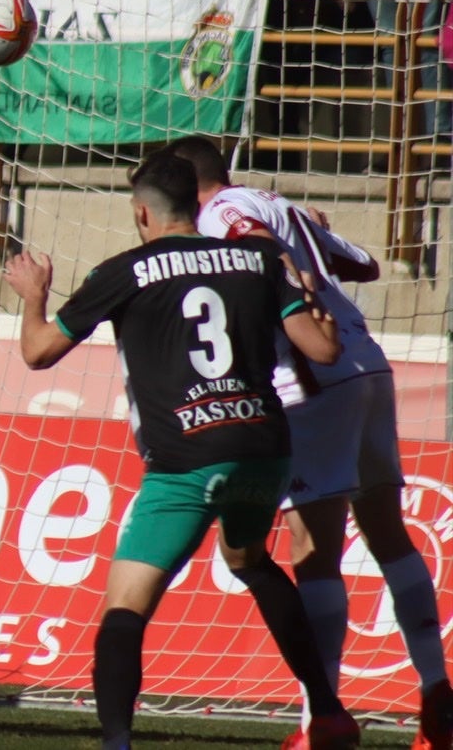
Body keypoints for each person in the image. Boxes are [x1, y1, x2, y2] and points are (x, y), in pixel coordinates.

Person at [3, 151, 358, 750]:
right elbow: (322, 351)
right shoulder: (258, 260)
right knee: (249, 560)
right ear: (197, 205)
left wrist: (33, 295)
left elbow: (38, 352)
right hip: (263, 448)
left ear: (142, 212)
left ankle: (117, 739)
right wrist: (311, 293)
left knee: (125, 607)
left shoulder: (121, 271)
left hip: (186, 459)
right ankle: (327, 711)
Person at [171, 134, 453, 750]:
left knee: (313, 549)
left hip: (313, 374)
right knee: (387, 534)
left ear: (188, 188)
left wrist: (286, 275)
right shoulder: (282, 203)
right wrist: (304, 250)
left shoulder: (222, 214)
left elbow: (256, 245)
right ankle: (437, 694)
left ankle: (320, 721)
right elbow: (365, 266)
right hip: (366, 364)